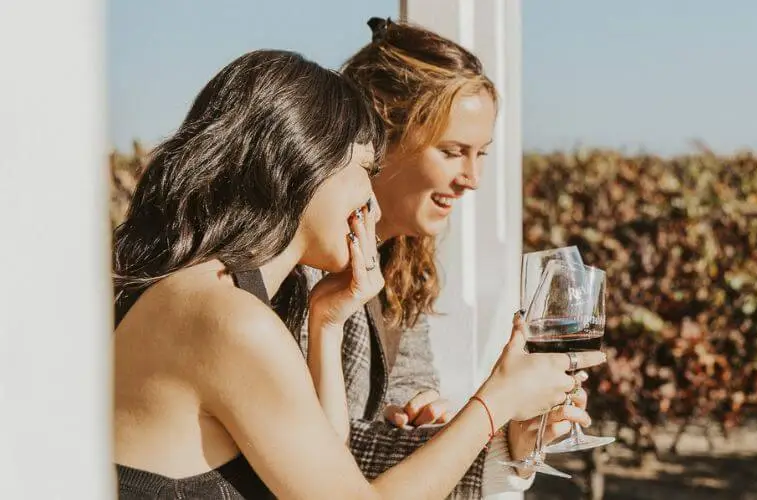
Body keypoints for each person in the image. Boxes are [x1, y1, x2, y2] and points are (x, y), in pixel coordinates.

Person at [111, 49, 604, 500]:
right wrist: (497, 400)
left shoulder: (213, 292)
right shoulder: (231, 319)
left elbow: (327, 458)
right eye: (366, 170)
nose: (370, 199)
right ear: (305, 165)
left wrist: (326, 322)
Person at [270, 18, 595, 499]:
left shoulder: (404, 253)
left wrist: (419, 411)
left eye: (481, 153)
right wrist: (490, 415)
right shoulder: (294, 268)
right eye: (452, 151)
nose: (472, 178)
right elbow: (316, 457)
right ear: (381, 140)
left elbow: (402, 386)